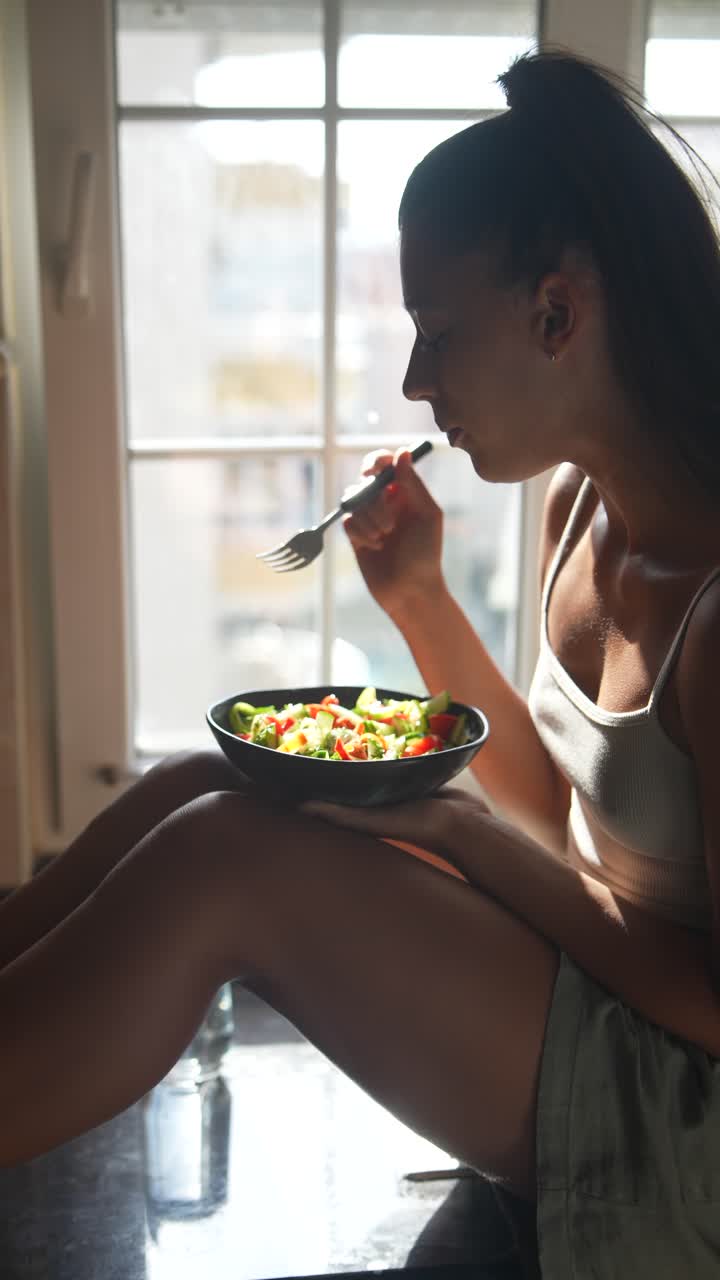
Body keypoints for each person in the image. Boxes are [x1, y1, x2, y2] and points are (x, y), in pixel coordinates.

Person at [2, 48, 720, 1276]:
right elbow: (566, 816)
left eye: (438, 332)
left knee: (230, 861)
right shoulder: (575, 511)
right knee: (208, 783)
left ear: (558, 313)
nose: (414, 379)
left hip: (685, 1111)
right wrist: (424, 604)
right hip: (598, 991)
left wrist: (456, 834)